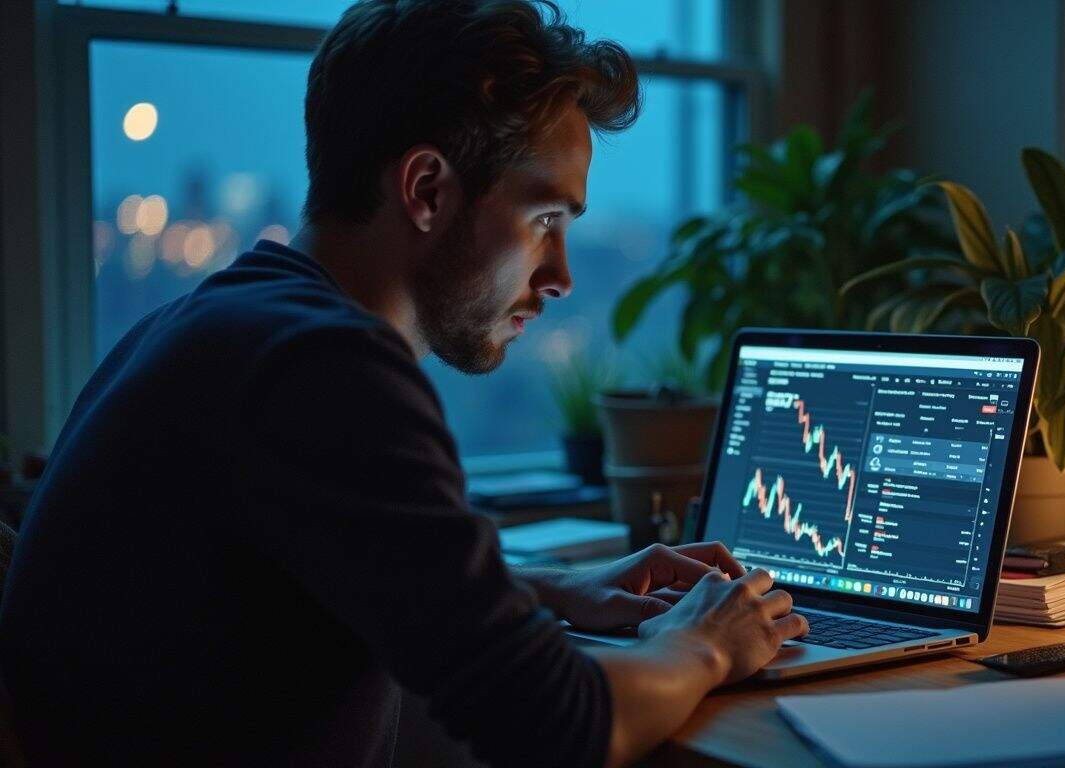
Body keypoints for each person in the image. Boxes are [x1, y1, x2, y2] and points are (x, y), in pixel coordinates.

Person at [0, 1, 808, 766]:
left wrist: (548, 589)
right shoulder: (325, 369)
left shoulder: (214, 323)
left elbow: (311, 567)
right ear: (426, 190)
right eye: (545, 221)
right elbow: (563, 727)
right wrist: (706, 641)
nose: (560, 274)